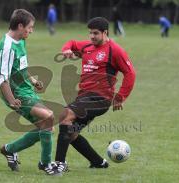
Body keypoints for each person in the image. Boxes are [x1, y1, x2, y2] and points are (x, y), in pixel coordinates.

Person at [54, 17, 136, 173]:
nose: (91, 36)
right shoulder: (88, 46)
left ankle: (59, 164)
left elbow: (130, 73)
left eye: (95, 33)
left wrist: (120, 97)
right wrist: (67, 50)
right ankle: (98, 162)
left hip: (100, 98)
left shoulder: (115, 50)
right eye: (90, 33)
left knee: (66, 115)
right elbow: (71, 42)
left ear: (105, 33)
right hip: (84, 97)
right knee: (70, 133)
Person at [0, 9, 60, 176]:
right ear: (20, 25)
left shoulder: (21, 40)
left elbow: (20, 67)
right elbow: (3, 78)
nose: (31, 31)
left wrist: (33, 81)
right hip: (16, 93)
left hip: (26, 90)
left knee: (47, 128)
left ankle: (9, 150)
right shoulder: (7, 47)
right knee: (49, 117)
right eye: (30, 27)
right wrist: (11, 100)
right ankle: (46, 164)